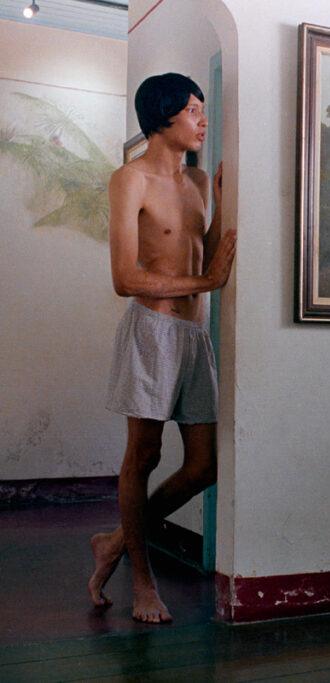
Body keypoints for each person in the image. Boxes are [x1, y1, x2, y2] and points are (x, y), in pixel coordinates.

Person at [87, 73, 237, 624]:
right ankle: (142, 582)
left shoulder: (195, 179)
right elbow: (125, 279)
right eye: (193, 110)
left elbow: (205, 253)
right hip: (151, 331)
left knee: (204, 466)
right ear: (163, 116)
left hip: (195, 336)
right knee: (143, 457)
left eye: (202, 109)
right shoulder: (130, 179)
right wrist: (207, 283)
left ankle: (113, 543)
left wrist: (221, 205)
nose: (203, 120)